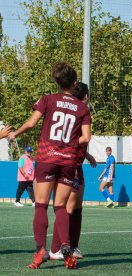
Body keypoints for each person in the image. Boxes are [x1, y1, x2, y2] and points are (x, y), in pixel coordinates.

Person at [8, 61, 91, 269]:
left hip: (46, 158)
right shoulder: (82, 108)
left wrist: (15, 133)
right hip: (68, 161)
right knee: (61, 206)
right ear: (74, 83)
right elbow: (86, 136)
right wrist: (70, 144)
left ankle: (39, 252)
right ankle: (65, 248)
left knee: (42, 205)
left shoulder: (47, 100)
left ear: (57, 81)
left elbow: (32, 123)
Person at [49, 82, 97, 260]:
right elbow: (75, 138)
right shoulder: (79, 111)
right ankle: (57, 249)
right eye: (87, 96)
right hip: (69, 164)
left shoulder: (79, 112)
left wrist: (87, 155)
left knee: (76, 206)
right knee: (67, 206)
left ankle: (73, 246)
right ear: (85, 97)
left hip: (76, 163)